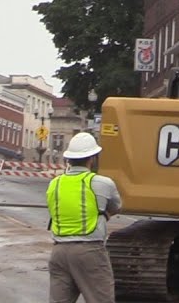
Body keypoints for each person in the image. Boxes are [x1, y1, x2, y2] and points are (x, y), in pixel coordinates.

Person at [46, 130, 122, 303]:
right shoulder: (102, 183)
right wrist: (104, 214)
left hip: (59, 252)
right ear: (93, 158)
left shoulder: (54, 184)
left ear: (69, 159)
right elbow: (117, 206)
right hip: (89, 251)